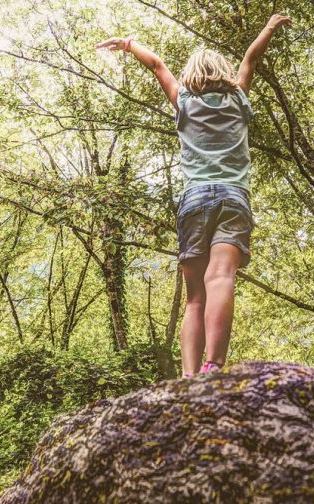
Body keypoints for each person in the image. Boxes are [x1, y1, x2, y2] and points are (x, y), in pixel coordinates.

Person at [96, 14, 291, 377]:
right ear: (223, 72)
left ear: (192, 74)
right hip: (234, 199)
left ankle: (188, 376)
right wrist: (268, 27)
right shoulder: (237, 99)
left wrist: (125, 44)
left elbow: (157, 65)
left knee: (194, 297)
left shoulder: (184, 101)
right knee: (221, 278)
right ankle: (213, 364)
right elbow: (251, 60)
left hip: (194, 201)